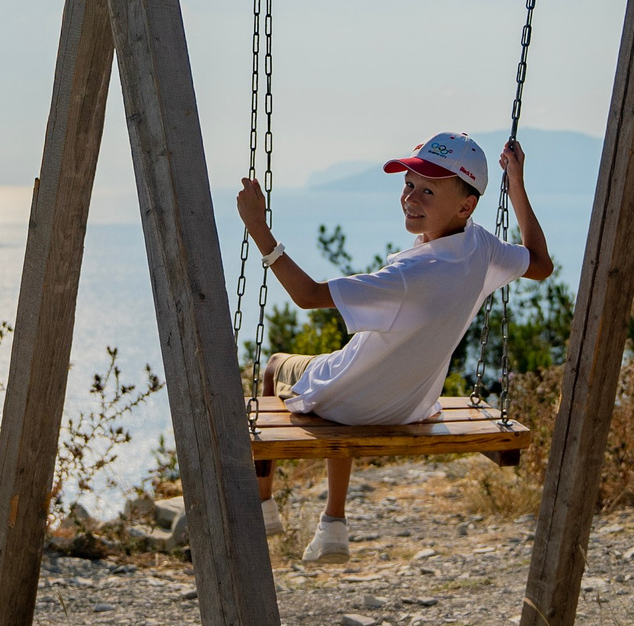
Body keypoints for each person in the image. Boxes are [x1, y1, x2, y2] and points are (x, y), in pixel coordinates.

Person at [233, 131, 554, 563]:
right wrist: (516, 184)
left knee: (276, 368)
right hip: (410, 406)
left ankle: (265, 507)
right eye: (408, 185)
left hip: (347, 404)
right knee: (351, 374)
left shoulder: (411, 273)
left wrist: (259, 230)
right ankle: (332, 525)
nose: (411, 197)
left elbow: (307, 295)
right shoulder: (480, 247)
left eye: (427, 190)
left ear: (465, 205)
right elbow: (541, 264)